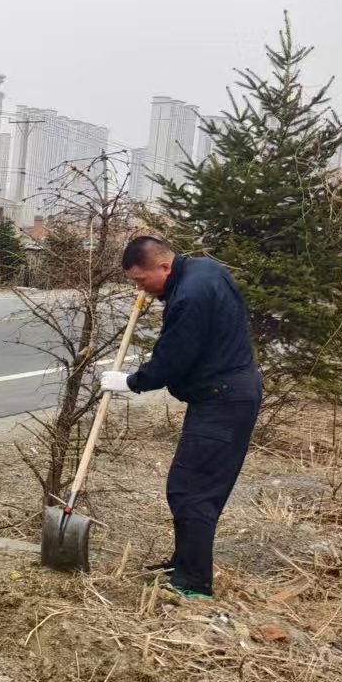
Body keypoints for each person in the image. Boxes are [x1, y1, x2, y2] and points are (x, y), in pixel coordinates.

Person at [100, 235, 261, 600]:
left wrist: (131, 381)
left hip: (223, 400)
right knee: (194, 488)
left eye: (142, 281)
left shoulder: (190, 295)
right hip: (226, 394)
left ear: (164, 266)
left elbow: (172, 359)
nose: (141, 289)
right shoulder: (205, 270)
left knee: (192, 491)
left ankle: (192, 584)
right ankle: (184, 564)